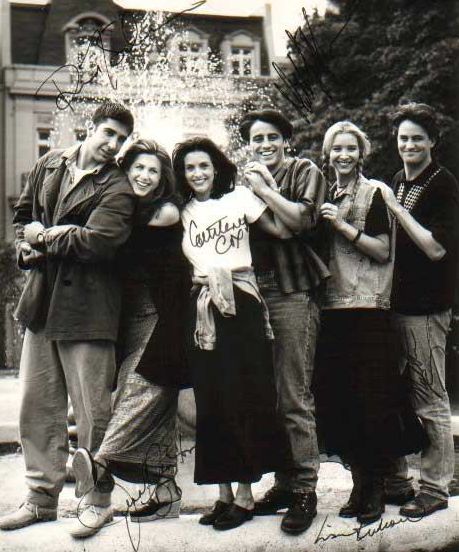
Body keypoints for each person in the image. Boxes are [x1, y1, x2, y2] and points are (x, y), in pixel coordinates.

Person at [0, 101, 136, 538]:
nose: (113, 144)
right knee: (37, 407)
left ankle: (98, 501)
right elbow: (23, 217)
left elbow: (100, 242)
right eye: (108, 133)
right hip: (42, 303)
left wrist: (48, 236)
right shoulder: (49, 163)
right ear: (90, 128)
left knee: (93, 410)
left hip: (91, 307)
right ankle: (40, 499)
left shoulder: (118, 185)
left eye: (120, 138)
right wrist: (28, 243)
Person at [173, 137, 290, 531]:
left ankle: (245, 494)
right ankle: (222, 493)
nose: (198, 173)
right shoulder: (182, 211)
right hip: (204, 307)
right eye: (190, 168)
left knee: (243, 394)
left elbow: (281, 229)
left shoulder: (239, 198)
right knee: (211, 400)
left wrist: (265, 189)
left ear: (217, 167)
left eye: (204, 165)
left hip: (242, 302)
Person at [71, 139, 191, 524]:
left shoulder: (166, 211)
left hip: (164, 318)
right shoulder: (125, 208)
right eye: (137, 168)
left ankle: (100, 464)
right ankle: (166, 491)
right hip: (132, 319)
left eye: (152, 171)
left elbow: (118, 236)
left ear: (162, 179)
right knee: (153, 405)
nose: (144, 176)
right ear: (127, 171)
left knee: (140, 394)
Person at [313, 121, 425, 525]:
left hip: (368, 309)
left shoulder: (375, 192)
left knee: (373, 401)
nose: (343, 155)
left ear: (361, 154)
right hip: (331, 310)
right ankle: (359, 485)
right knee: (340, 402)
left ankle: (376, 488)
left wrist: (340, 225)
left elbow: (381, 250)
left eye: (350, 149)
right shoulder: (324, 192)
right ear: (328, 155)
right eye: (336, 149)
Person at [238, 109, 329, 535]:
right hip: (258, 293)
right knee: (270, 394)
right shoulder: (245, 182)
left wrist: (263, 190)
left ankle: (307, 489)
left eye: (272, 137)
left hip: (294, 291)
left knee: (294, 393)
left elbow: (301, 222)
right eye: (257, 139)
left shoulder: (304, 170)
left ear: (285, 140)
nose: (265, 145)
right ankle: (285, 482)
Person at [379, 102, 459, 518]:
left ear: (432, 141)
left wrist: (395, 208)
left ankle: (434, 488)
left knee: (430, 397)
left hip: (426, 309)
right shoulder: (399, 179)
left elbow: (435, 247)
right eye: (403, 138)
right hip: (397, 305)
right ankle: (398, 480)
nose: (408, 144)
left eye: (416, 138)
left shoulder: (443, 183)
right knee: (398, 395)